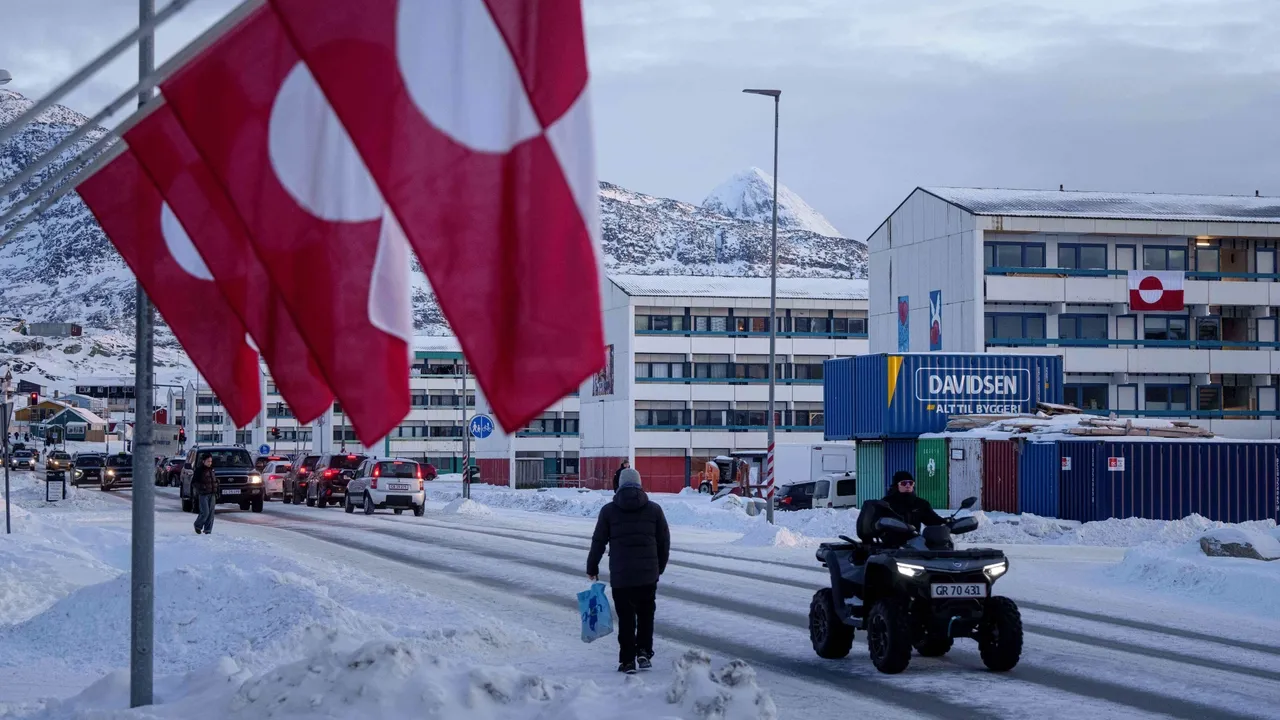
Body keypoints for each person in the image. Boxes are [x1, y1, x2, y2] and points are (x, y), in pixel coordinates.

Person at [587, 467, 670, 674]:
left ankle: (627, 661)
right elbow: (664, 542)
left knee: (626, 618)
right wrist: (659, 567)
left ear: (619, 485)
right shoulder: (654, 510)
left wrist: (592, 566)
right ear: (640, 484)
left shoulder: (609, 511)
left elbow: (598, 541)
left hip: (621, 575)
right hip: (648, 575)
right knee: (646, 614)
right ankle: (644, 652)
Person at [193, 454, 218, 535]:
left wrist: (217, 487)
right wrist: (201, 487)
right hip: (203, 494)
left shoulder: (212, 470)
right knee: (205, 512)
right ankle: (198, 525)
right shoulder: (199, 470)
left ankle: (208, 530)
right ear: (203, 461)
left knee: (211, 513)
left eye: (211, 461)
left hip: (212, 494)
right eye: (208, 461)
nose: (210, 463)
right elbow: (194, 482)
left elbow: (214, 481)